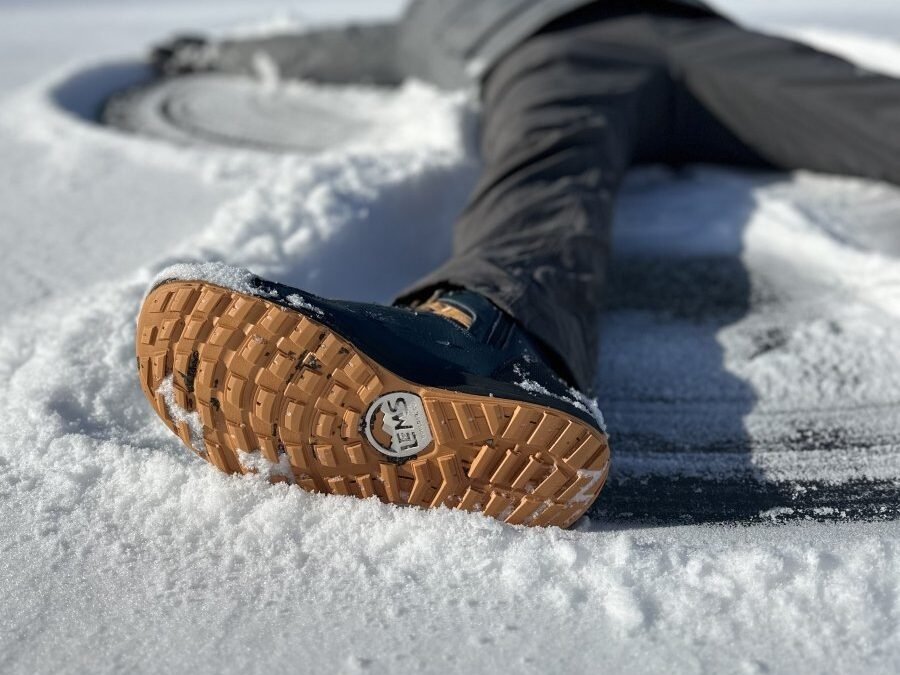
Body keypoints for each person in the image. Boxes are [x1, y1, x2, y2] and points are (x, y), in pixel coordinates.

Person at [134, 0, 900, 528]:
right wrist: (216, 53)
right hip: (554, 56)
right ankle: (485, 339)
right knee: (545, 178)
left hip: (689, 35)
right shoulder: (436, 16)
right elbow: (333, 48)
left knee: (873, 110)